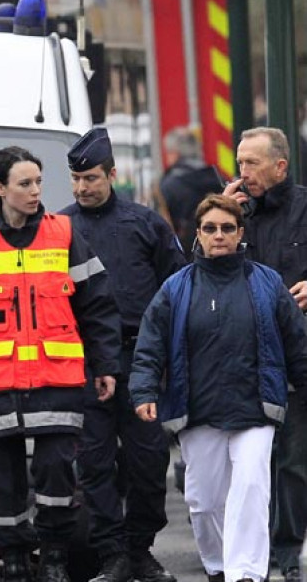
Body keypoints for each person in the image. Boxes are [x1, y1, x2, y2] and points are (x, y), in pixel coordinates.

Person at [0, 146, 121, 582]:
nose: (35, 192)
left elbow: (98, 305)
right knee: (2, 480)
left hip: (56, 378)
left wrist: (106, 364)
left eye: (38, 183)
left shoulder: (63, 234)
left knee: (55, 470)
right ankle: (11, 559)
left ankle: (53, 556)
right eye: (24, 184)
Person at [130, 194, 307, 582]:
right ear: (198, 234)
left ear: (241, 233)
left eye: (228, 228)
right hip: (198, 411)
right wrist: (143, 391)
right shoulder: (176, 288)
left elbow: (297, 340)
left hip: (255, 410)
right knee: (203, 499)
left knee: (251, 491)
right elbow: (150, 343)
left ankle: (246, 574)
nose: (219, 235)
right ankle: (218, 566)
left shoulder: (266, 282)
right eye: (210, 228)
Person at [59, 128, 183, 582]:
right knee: (92, 465)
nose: (81, 188)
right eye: (74, 179)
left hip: (140, 361)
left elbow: (176, 292)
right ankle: (112, 554)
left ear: (112, 174)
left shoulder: (147, 224)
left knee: (149, 464)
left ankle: (139, 550)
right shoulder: (59, 228)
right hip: (83, 362)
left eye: (90, 178)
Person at [222, 127, 307, 582]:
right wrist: (222, 217)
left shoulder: (305, 208)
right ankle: (244, 548)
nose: (243, 173)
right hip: (240, 355)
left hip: (294, 353)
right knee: (246, 462)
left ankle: (288, 549)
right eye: (240, 163)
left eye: (252, 164)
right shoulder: (231, 213)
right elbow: (195, 268)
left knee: (291, 460)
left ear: (280, 166)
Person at [157, 126, 222, 258]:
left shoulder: (168, 185)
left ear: (174, 154)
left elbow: (161, 227)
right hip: (220, 249)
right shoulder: (218, 178)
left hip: (186, 256)